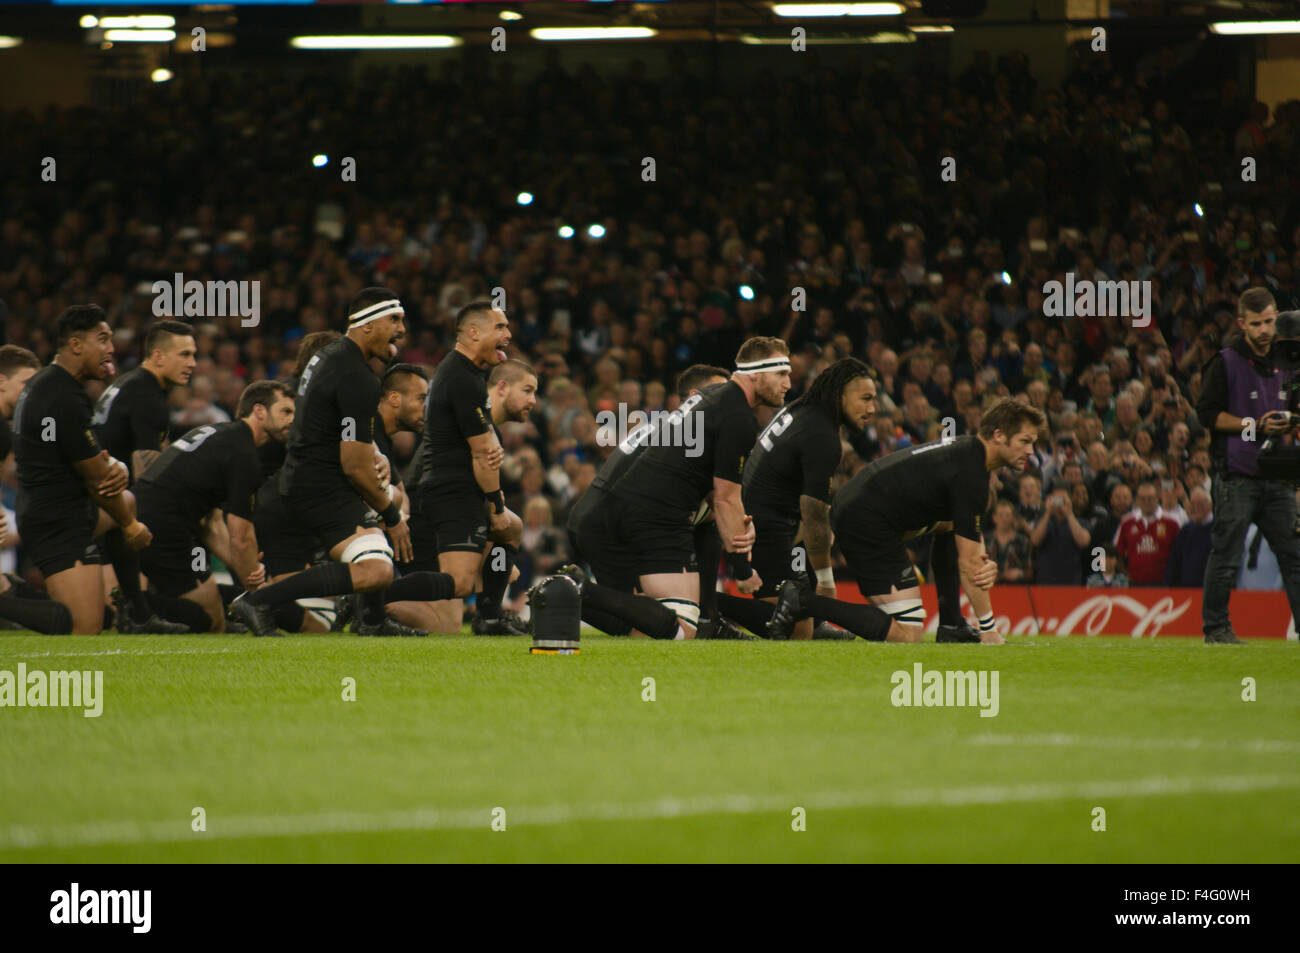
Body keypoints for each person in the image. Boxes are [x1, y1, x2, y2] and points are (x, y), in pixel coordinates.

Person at [229, 288, 456, 637]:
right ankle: (258, 601)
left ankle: (372, 620)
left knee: (375, 549)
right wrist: (393, 516)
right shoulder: (357, 377)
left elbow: (346, 441)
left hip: (302, 482)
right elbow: (353, 465)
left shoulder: (329, 357)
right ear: (366, 325)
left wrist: (376, 462)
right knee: (377, 566)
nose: (402, 329)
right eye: (394, 319)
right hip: (320, 487)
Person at [569, 338, 790, 639]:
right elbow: (725, 499)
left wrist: (738, 525)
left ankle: (572, 596)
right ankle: (579, 591)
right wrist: (743, 570)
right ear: (756, 373)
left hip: (624, 509)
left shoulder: (711, 398)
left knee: (647, 622)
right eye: (781, 374)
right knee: (680, 629)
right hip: (656, 517)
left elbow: (716, 495)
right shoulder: (737, 416)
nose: (788, 383)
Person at [828, 398, 1046, 644]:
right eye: (1024, 442)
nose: (1030, 451)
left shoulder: (967, 453)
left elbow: (968, 538)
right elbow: (969, 561)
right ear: (998, 435)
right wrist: (989, 629)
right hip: (865, 519)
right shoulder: (972, 473)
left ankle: (952, 624)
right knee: (908, 635)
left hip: (860, 506)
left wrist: (983, 560)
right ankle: (804, 601)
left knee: (949, 525)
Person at [737, 358, 911, 641]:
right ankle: (711, 608)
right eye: (865, 399)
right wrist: (828, 583)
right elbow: (814, 513)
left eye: (874, 399)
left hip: (768, 522)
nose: (872, 409)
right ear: (840, 394)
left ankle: (815, 621)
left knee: (804, 612)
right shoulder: (822, 435)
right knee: (795, 632)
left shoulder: (802, 410)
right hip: (766, 530)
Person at [13, 305, 150, 634]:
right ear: (76, 345)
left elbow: (92, 460)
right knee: (82, 628)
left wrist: (114, 467)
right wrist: (131, 527)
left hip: (59, 508)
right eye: (102, 340)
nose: (112, 349)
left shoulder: (52, 383)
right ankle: (10, 597)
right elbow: (97, 479)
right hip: (56, 520)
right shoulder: (62, 397)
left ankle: (138, 612)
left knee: (127, 500)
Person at [134, 381, 295, 631]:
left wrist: (246, 569)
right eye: (286, 411)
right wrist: (257, 589)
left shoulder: (221, 434)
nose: (292, 420)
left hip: (151, 517)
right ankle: (137, 605)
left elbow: (212, 522)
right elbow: (241, 538)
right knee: (209, 621)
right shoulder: (244, 455)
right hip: (167, 528)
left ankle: (138, 601)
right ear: (260, 411)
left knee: (216, 616)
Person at [415, 301, 526, 636]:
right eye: (500, 328)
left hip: (456, 485)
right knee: (459, 583)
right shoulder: (462, 378)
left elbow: (486, 450)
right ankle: (372, 600)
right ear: (473, 332)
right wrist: (495, 507)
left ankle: (489, 617)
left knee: (512, 528)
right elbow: (482, 454)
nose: (508, 334)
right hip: (450, 488)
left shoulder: (464, 373)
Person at [1196, 287, 1300, 642]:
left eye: (1270, 321)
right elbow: (1206, 414)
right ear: (1242, 323)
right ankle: (1217, 629)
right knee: (1226, 554)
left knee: (1295, 555)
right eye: (1256, 324)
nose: (1265, 330)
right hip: (1237, 475)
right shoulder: (1225, 362)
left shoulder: (1289, 359)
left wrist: (1291, 419)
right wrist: (1252, 425)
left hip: (1279, 478)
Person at [92, 319, 196, 633]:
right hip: (105, 501)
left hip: (98, 495)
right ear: (159, 356)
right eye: (184, 354)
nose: (192, 363)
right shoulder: (148, 395)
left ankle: (138, 611)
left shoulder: (131, 383)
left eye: (193, 355)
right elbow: (147, 474)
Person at [1113, 481, 1181, 585]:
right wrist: (1126, 575)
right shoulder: (1127, 522)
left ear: (1157, 498)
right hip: (1135, 584)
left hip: (1164, 584)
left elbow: (1179, 555)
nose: (1146, 502)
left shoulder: (1171, 523)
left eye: (1150, 498)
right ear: (1137, 500)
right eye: (1143, 499)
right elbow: (1116, 553)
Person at [1030, 483, 1092, 585]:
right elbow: (1035, 541)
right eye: (1056, 499)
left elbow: (1083, 542)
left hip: (1071, 582)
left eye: (1062, 499)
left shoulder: (1081, 522)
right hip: (1046, 581)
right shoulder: (1043, 521)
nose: (1059, 503)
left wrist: (1069, 513)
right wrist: (1047, 513)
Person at [1165, 487, 1213, 587]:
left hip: (1210, 591)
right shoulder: (1186, 530)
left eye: (1200, 503)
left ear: (1210, 506)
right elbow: (1175, 561)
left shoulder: (1219, 530)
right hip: (1187, 591)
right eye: (1192, 504)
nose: (1195, 507)